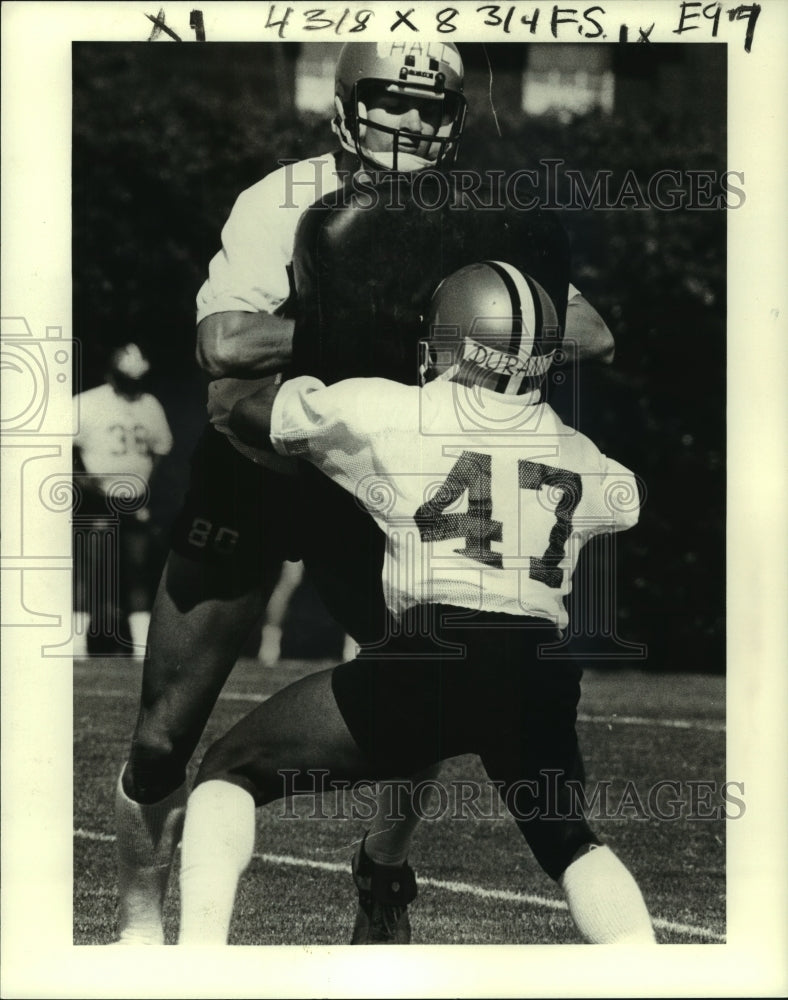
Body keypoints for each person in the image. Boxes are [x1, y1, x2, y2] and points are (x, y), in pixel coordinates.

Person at [113, 41, 615, 946]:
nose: (413, 123)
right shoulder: (282, 200)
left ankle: (384, 864)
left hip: (375, 486)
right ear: (347, 105)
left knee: (415, 691)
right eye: (394, 101)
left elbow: (586, 327)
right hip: (260, 475)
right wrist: (384, 317)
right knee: (160, 740)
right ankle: (139, 917)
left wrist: (445, 320)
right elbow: (223, 348)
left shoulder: (474, 209)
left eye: (432, 109)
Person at [176, 262, 655, 946]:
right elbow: (625, 500)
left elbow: (256, 417)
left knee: (230, 769)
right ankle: (646, 965)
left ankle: (194, 966)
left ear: (450, 343)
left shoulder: (389, 410)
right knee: (571, 844)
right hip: (541, 668)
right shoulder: (580, 452)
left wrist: (233, 387)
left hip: (438, 653)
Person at [73, 342, 172, 657]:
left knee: (138, 569)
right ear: (111, 375)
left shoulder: (149, 404)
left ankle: (141, 647)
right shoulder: (87, 403)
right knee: (91, 569)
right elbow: (63, 450)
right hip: (95, 497)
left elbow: (160, 451)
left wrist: (142, 488)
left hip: (134, 499)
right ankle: (76, 645)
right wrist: (88, 484)